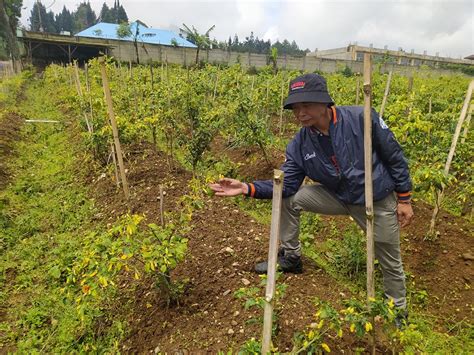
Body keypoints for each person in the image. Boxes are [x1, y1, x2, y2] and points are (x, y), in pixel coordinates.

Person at [209, 73, 414, 314]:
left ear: (324, 102)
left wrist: (404, 199)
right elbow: (285, 183)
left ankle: (397, 311)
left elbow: (394, 156)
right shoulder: (300, 143)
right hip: (338, 196)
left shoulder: (361, 118)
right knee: (289, 198)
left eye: (306, 105)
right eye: (295, 107)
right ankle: (291, 257)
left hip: (375, 198)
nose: (299, 112)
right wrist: (246, 187)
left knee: (389, 258)